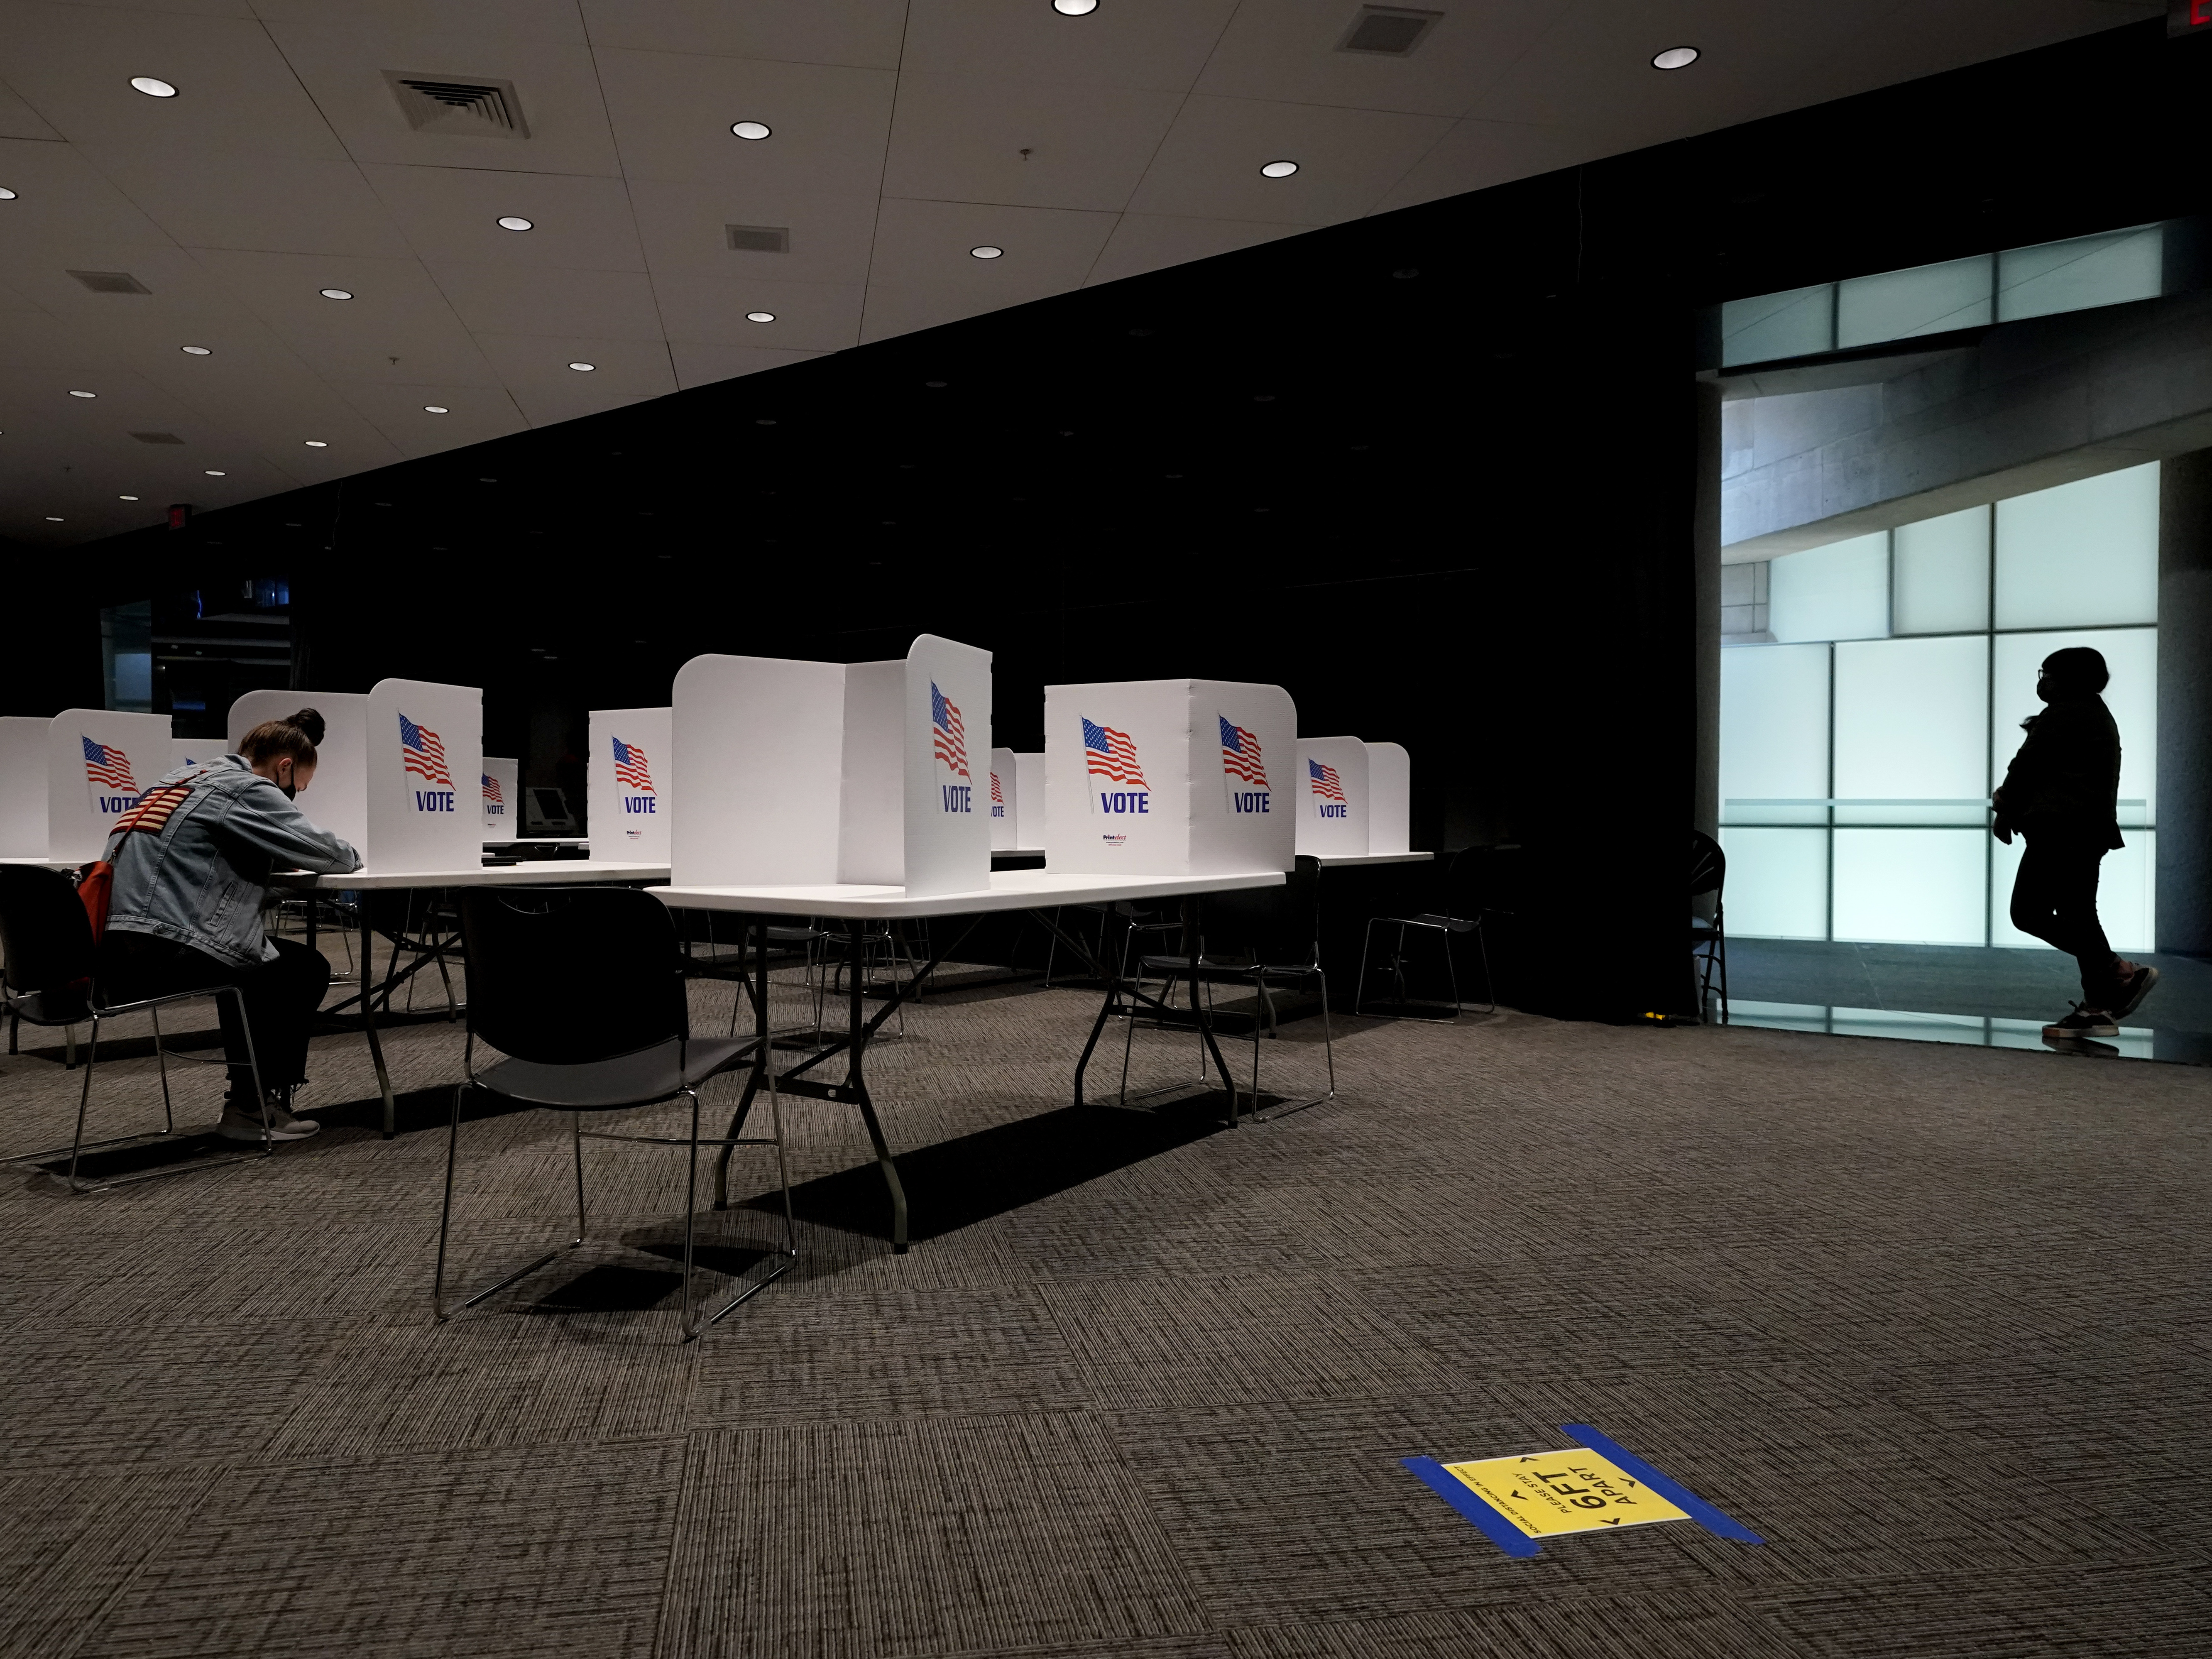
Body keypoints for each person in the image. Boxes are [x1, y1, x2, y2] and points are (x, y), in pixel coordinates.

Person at [97, 710, 362, 1141]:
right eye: (296, 790)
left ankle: (251, 1100)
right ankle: (252, 1106)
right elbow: (335, 856)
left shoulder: (176, 782)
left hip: (114, 948)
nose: (292, 799)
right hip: (160, 950)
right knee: (297, 968)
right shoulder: (244, 788)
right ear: (285, 768)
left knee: (257, 956)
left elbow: (202, 878)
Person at [1992, 646, 2157, 1040]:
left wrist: (2005, 807)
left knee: (2027, 912)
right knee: (2078, 915)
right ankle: (2097, 1008)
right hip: (2086, 831)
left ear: (2068, 679)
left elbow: (2025, 768)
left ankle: (2121, 972)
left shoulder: (2066, 713)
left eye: (2047, 673)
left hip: (2060, 830)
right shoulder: (2095, 715)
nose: (2041, 680)